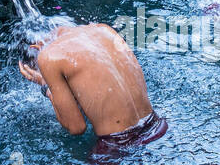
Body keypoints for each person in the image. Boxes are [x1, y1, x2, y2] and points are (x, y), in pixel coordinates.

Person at [18, 22, 167, 154]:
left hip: (120, 145)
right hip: (157, 126)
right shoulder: (103, 29)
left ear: (35, 48)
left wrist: (46, 86)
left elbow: (76, 128)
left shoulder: (48, 56)